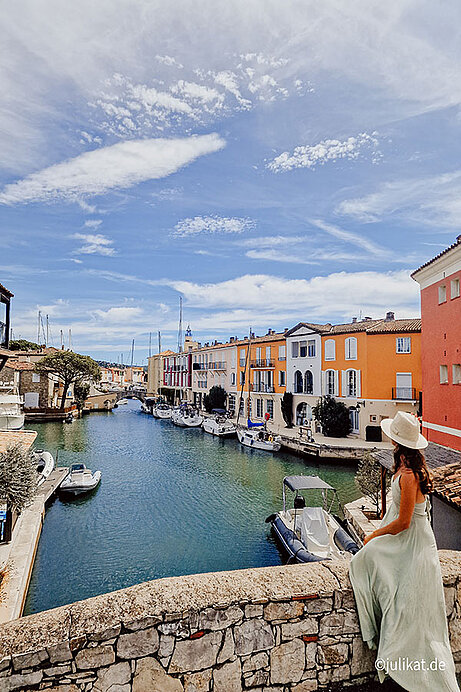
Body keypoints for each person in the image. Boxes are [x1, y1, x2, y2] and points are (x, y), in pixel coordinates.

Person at [349, 411, 460, 691]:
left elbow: (403, 522)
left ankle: (411, 669)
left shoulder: (409, 476)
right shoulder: (403, 468)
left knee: (408, 608)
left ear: (397, 442)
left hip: (414, 543)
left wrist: (374, 533)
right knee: (376, 575)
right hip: (408, 540)